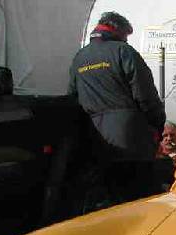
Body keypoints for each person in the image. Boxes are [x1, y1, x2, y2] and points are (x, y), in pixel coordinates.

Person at [68, 12, 165, 204]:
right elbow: (145, 94)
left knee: (108, 199)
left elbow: (73, 97)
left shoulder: (79, 57)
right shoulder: (123, 52)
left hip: (96, 139)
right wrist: (157, 124)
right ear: (119, 31)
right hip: (131, 137)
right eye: (126, 36)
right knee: (140, 196)